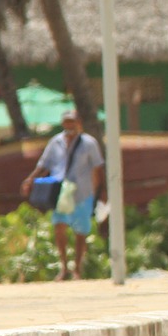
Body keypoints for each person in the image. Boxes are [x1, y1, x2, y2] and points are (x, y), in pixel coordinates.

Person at [19, 110, 105, 281]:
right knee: (59, 227)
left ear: (78, 122)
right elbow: (43, 165)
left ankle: (77, 269)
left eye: (72, 121)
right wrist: (30, 180)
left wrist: (98, 193)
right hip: (60, 192)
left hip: (82, 191)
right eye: (66, 121)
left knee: (80, 231)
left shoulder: (89, 143)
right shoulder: (55, 142)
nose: (69, 125)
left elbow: (97, 168)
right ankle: (64, 266)